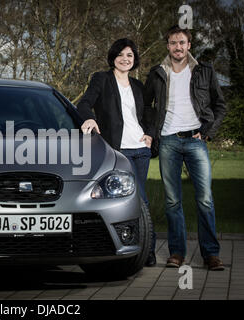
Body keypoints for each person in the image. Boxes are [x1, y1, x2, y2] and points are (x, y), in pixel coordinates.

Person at [143, 25, 226, 271]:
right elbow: (146, 106)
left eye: (182, 42)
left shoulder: (204, 71)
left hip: (196, 141)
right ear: (167, 46)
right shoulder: (157, 73)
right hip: (168, 140)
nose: (177, 47)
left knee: (205, 199)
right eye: (172, 43)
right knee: (172, 201)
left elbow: (220, 105)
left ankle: (211, 254)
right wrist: (151, 132)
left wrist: (208, 132)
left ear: (189, 45)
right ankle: (176, 253)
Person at [77, 38, 156, 267]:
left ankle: (147, 251)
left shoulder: (139, 86)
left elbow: (149, 114)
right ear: (113, 57)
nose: (125, 59)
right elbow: (84, 103)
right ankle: (127, 247)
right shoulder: (102, 79)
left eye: (130, 55)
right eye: (121, 55)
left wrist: (149, 134)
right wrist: (89, 118)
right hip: (117, 150)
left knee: (142, 200)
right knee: (124, 199)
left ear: (135, 60)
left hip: (140, 149)